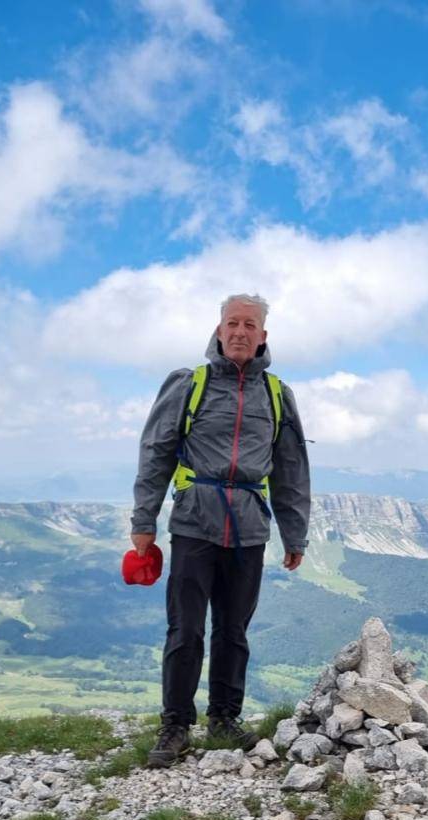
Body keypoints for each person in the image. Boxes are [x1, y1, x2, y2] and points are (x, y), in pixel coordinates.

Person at [130, 293, 311, 768]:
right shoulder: (189, 383)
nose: (239, 332)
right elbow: (156, 453)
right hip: (195, 522)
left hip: (249, 528)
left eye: (249, 325)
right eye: (232, 323)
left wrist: (295, 533)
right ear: (218, 329)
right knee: (185, 629)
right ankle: (175, 725)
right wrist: (143, 521)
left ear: (263, 336)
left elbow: (291, 468)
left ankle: (224, 719)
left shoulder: (277, 394)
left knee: (234, 630)